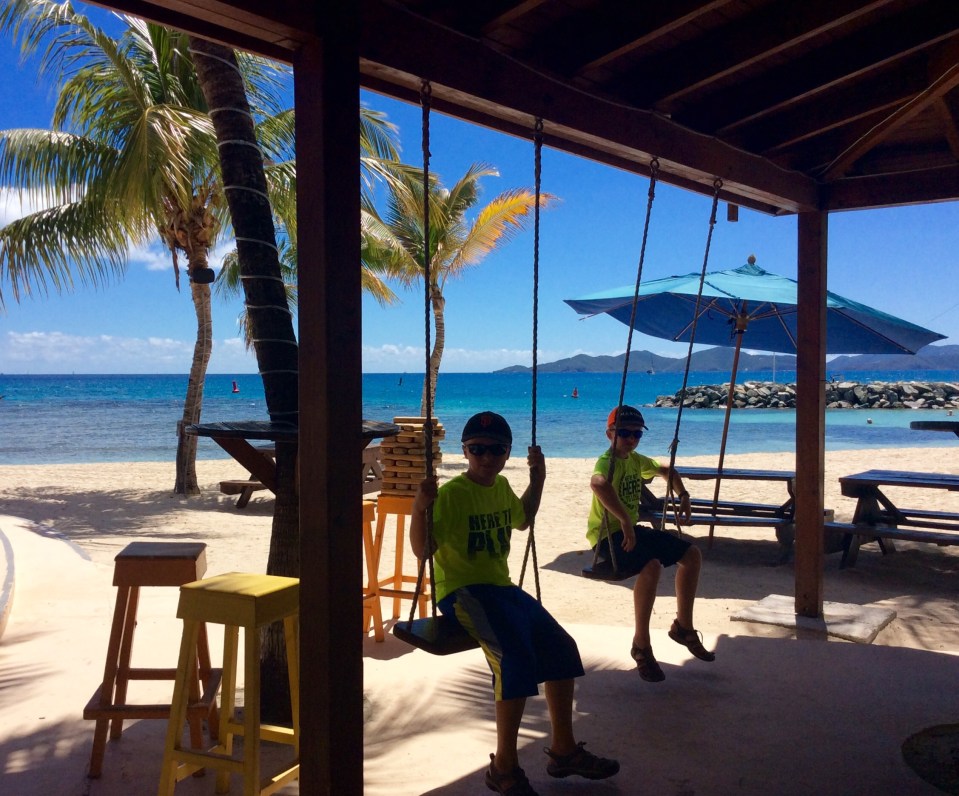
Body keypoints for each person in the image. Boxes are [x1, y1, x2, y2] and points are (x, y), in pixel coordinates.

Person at [411, 411, 619, 796]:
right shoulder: (452, 494)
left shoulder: (503, 486)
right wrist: (419, 507)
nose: (486, 457)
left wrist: (537, 480)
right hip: (463, 591)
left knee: (561, 647)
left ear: (507, 454)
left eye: (495, 450)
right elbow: (423, 551)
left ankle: (563, 751)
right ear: (465, 451)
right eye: (477, 449)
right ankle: (503, 768)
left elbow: (522, 519)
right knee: (515, 657)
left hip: (501, 588)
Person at [587, 404, 716, 682]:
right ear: (610, 434)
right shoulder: (607, 461)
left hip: (631, 529)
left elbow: (665, 468)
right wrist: (622, 518)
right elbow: (598, 484)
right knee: (652, 565)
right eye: (624, 433)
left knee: (691, 554)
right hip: (607, 536)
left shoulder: (635, 460)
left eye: (637, 434)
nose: (631, 439)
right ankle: (641, 646)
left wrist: (683, 495)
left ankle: (683, 627)